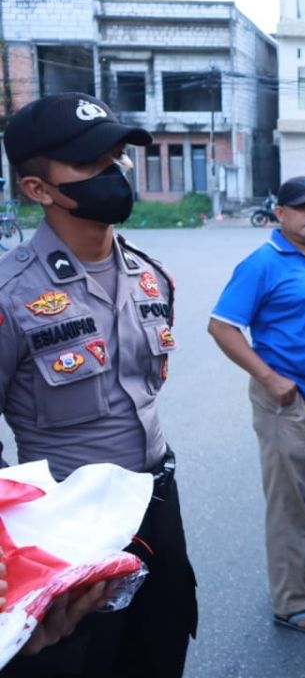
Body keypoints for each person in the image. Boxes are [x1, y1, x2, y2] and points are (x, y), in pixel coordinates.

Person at [0, 92, 197, 677]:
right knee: (82, 661)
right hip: (67, 525)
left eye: (117, 157)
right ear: (39, 190)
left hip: (158, 504)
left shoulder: (149, 275)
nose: (113, 173)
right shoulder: (12, 293)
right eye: (91, 164)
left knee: (162, 646)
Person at [207, 176, 305, 635]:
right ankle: (291, 602)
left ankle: (298, 572)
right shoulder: (262, 263)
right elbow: (222, 326)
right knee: (288, 501)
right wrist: (269, 377)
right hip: (285, 399)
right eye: (303, 208)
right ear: (279, 213)